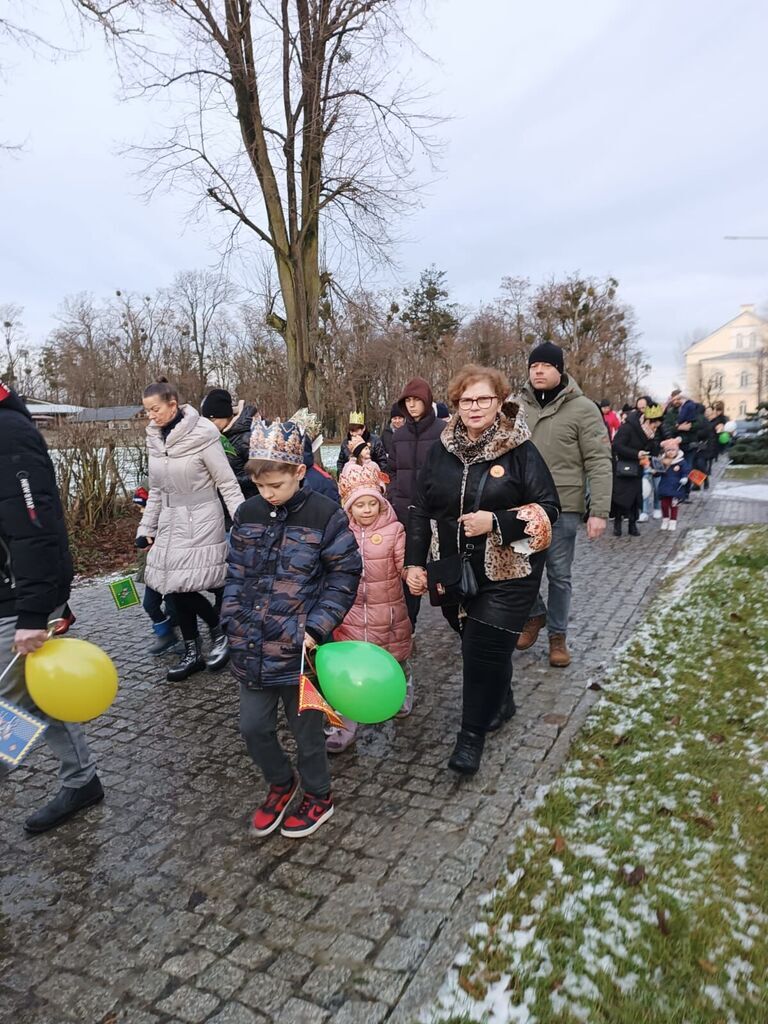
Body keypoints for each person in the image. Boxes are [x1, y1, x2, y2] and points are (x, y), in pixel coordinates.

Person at [405, 365, 559, 775]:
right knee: (477, 642)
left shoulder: (520, 449)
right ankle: (502, 699)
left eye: (484, 399)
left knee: (478, 651)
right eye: (466, 400)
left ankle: (469, 738)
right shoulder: (440, 450)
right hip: (455, 570)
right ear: (455, 404)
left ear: (499, 402)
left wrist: (496, 522)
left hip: (509, 573)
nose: (475, 407)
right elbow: (420, 509)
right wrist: (413, 563)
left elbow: (549, 508)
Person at [222, 419, 361, 838]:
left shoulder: (325, 514)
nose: (268, 494)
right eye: (262, 486)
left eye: (277, 485)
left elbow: (344, 575)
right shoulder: (247, 513)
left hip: (303, 650)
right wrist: (231, 618)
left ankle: (319, 794)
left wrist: (317, 627)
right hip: (252, 643)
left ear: (299, 472)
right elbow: (234, 573)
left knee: (308, 732)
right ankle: (281, 783)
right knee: (252, 727)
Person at [0, 381, 104, 834]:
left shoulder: (9, 434)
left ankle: (79, 779)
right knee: (43, 693)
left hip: (20, 598)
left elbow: (34, 527)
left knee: (12, 703)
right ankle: (81, 779)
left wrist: (31, 613)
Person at [137, 380, 244, 681]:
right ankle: (194, 648)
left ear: (173, 405)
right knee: (171, 585)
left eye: (155, 409)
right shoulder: (155, 440)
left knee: (182, 584)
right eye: (147, 411)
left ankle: (211, 635)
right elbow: (157, 490)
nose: (151, 416)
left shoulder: (203, 435)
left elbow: (227, 482)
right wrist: (147, 527)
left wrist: (243, 522)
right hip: (170, 519)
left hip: (201, 517)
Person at [517, 342, 613, 667]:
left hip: (563, 507)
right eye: (534, 366)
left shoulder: (583, 408)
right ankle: (534, 613)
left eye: (545, 365)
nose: (538, 371)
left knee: (559, 575)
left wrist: (599, 510)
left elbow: (599, 460)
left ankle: (558, 636)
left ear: (560, 370)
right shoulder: (515, 406)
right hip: (521, 508)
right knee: (517, 569)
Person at [326, 462, 414, 752]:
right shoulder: (340, 532)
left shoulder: (395, 530)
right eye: (359, 505)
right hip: (350, 615)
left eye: (371, 503)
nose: (366, 510)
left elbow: (404, 563)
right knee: (350, 670)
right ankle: (344, 722)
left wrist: (413, 574)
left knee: (395, 657)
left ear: (381, 503)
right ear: (349, 508)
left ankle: (403, 686)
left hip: (386, 612)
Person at [387, 376, 447, 630]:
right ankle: (408, 625)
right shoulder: (398, 435)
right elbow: (391, 470)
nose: (412, 406)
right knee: (408, 570)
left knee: (442, 568)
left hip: (436, 511)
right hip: (404, 511)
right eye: (408, 401)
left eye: (416, 400)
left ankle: (456, 616)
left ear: (427, 401)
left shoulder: (442, 432)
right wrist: (393, 494)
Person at [133, 483, 180, 655]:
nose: (140, 511)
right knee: (150, 605)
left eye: (142, 507)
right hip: (154, 573)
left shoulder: (169, 523)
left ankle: (188, 638)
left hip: (171, 571)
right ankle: (165, 633)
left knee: (175, 606)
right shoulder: (146, 527)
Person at [201, 387, 259, 521]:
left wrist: (229, 480)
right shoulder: (215, 437)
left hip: (247, 504)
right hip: (223, 510)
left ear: (225, 415)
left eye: (213, 420)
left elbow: (261, 473)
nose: (210, 425)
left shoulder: (246, 438)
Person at [611, 404, 664, 536]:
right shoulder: (628, 427)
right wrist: (636, 453)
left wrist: (654, 442)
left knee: (635, 498)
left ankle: (632, 525)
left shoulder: (651, 433)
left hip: (638, 469)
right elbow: (617, 445)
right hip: (623, 468)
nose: (655, 428)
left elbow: (653, 451)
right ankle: (617, 523)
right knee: (620, 497)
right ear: (647, 421)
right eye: (654, 425)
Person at [656, 437, 690, 531]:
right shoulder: (663, 461)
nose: (671, 452)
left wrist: (684, 477)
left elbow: (686, 470)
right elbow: (659, 472)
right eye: (668, 450)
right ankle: (665, 519)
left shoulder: (681, 462)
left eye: (673, 450)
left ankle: (673, 521)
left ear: (677, 450)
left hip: (676, 487)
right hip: (665, 485)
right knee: (664, 505)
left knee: (674, 505)